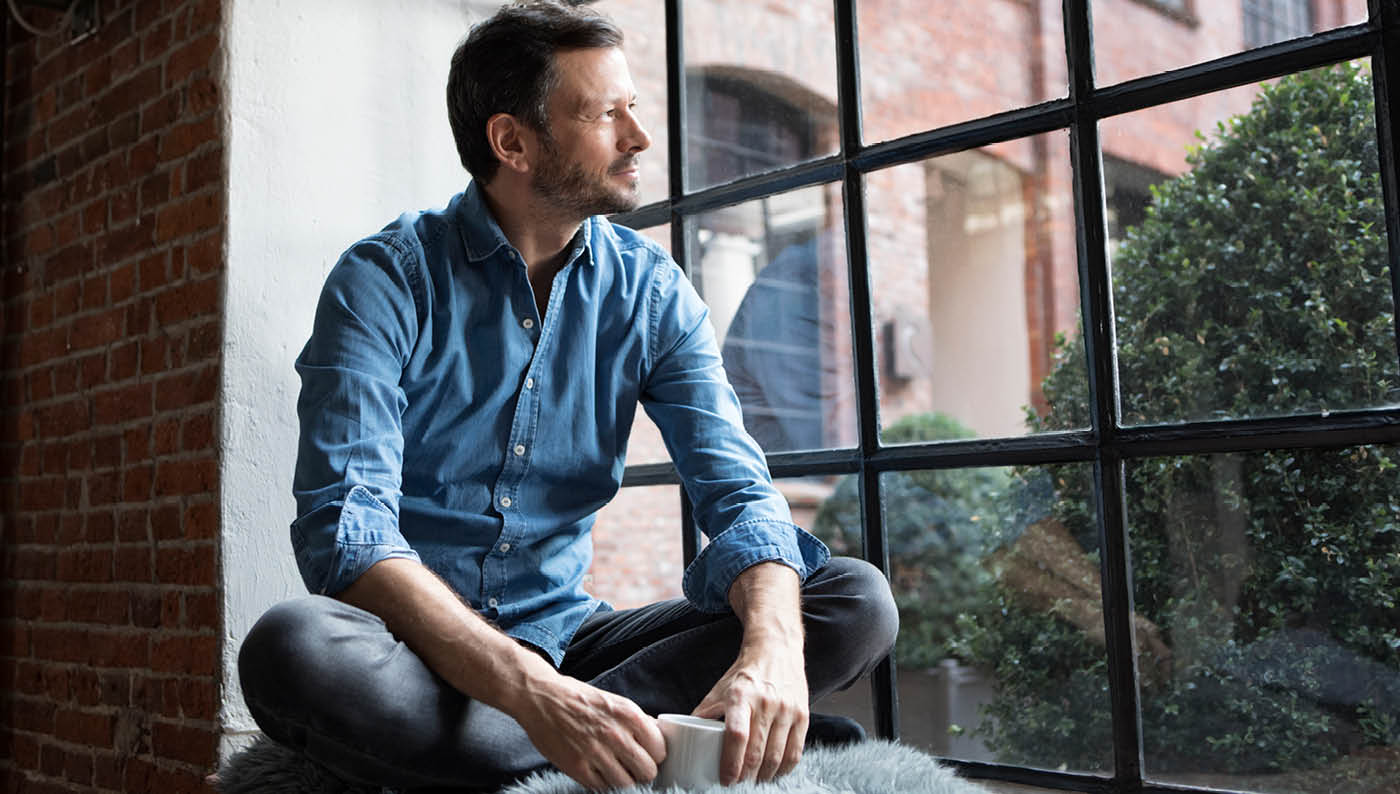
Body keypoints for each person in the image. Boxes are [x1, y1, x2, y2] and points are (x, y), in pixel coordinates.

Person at [237, 2, 898, 791]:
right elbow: (345, 531)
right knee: (290, 647)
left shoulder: (653, 294)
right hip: (413, 655)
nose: (638, 139)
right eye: (605, 115)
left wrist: (773, 651)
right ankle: (627, 739)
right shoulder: (385, 281)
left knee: (851, 599)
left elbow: (741, 494)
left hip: (572, 640)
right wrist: (534, 695)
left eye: (635, 110)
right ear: (512, 142)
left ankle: (524, 749)